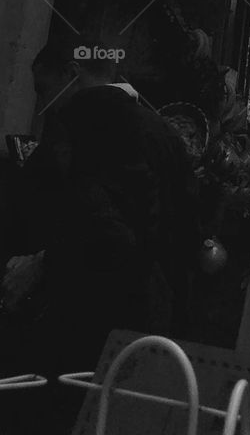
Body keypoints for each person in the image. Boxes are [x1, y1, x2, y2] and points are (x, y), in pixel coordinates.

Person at [0, 36, 200, 434]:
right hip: (146, 331)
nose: (42, 105)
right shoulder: (163, 133)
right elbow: (185, 236)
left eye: (43, 89)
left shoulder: (84, 120)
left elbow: (107, 234)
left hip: (78, 326)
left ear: (72, 75)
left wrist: (42, 262)